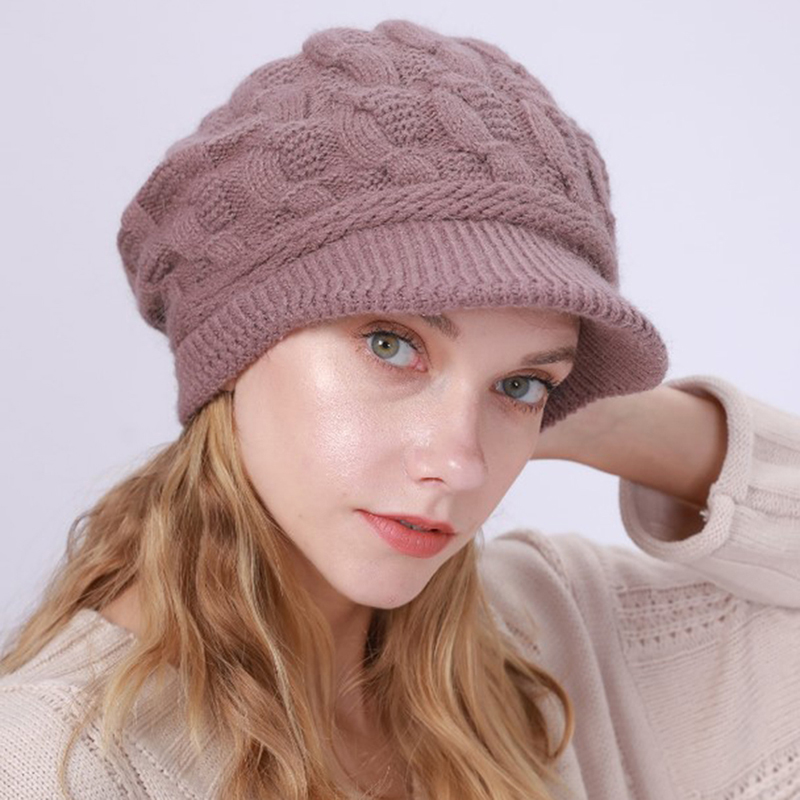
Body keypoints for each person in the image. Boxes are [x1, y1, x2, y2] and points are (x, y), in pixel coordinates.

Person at [0, 17, 797, 800]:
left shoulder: (557, 636)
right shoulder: (56, 764)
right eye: (390, 345)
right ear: (236, 347)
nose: (460, 464)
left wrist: (603, 412)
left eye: (524, 385)